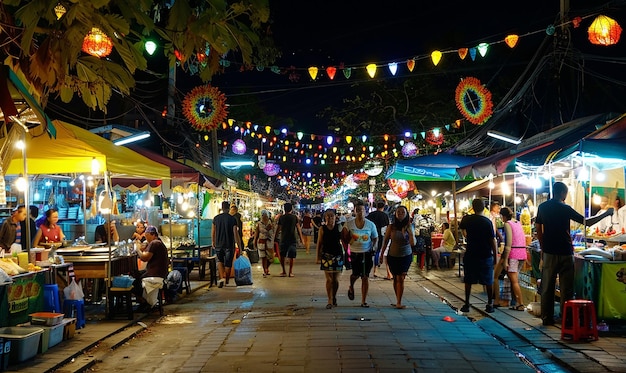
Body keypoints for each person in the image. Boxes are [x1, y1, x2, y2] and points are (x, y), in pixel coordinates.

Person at [536, 181, 613, 326]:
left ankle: (547, 318)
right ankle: (567, 319)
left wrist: (543, 247)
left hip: (549, 252)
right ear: (563, 193)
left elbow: (539, 229)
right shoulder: (565, 208)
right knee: (567, 288)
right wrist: (606, 214)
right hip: (565, 251)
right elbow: (587, 223)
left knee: (547, 287)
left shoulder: (543, 207)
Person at [459, 198, 497, 313]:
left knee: (469, 280)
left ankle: (466, 303)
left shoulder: (467, 220)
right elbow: (492, 240)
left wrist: (466, 235)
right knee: (488, 280)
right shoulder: (487, 222)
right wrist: (495, 255)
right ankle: (490, 304)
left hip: (471, 253)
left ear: (473, 207)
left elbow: (462, 230)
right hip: (485, 254)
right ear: (483, 207)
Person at [341, 200, 378, 308]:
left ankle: (363, 300)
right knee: (355, 274)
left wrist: (374, 247)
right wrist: (346, 246)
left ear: (365, 211)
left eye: (362, 210)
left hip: (366, 252)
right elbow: (343, 237)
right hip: (354, 252)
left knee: (365, 276)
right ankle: (351, 286)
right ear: (355, 211)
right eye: (358, 210)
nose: (360, 212)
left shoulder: (370, 225)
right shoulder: (349, 224)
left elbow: (375, 238)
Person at [380, 205, 415, 309]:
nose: (400, 214)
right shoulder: (391, 227)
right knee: (396, 277)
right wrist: (381, 254)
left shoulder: (409, 226)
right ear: (395, 214)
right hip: (393, 255)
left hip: (405, 255)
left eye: (403, 212)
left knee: (401, 278)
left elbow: (413, 243)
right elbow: (385, 241)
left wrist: (409, 233)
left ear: (406, 214)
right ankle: (397, 299)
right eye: (398, 212)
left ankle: (399, 301)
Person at [134, 225, 169, 312]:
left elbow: (144, 258)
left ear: (152, 234)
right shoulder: (157, 243)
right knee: (136, 274)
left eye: (147, 235)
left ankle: (144, 302)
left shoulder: (155, 243)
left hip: (155, 273)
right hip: (159, 272)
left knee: (133, 282)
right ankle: (144, 302)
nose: (146, 237)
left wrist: (137, 249)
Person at [500, 206, 528, 311]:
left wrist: (505, 260)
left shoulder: (507, 224)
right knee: (514, 279)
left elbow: (508, 244)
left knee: (514, 280)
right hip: (522, 253)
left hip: (514, 254)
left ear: (503, 216)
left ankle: (520, 304)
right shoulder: (517, 223)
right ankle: (514, 302)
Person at [316, 209, 345, 309]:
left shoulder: (339, 227)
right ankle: (329, 299)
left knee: (335, 279)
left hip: (337, 255)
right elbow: (319, 243)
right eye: (328, 216)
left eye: (332, 216)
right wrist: (318, 257)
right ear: (325, 217)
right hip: (326, 255)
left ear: (335, 217)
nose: (330, 218)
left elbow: (344, 241)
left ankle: (334, 296)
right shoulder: (322, 229)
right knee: (329, 279)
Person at [213, 201, 244, 288]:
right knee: (228, 263)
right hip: (229, 245)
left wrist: (213, 241)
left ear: (222, 208)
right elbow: (235, 233)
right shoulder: (232, 219)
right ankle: (226, 280)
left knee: (219, 261)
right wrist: (239, 245)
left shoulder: (216, 218)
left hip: (218, 244)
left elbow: (213, 231)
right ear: (229, 208)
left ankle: (221, 278)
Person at [275, 202, 303, 277]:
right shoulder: (294, 217)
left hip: (283, 238)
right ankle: (290, 272)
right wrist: (301, 238)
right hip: (292, 238)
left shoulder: (281, 217)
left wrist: (275, 237)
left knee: (282, 255)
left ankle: (284, 271)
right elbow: (298, 228)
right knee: (292, 256)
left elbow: (278, 228)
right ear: (291, 209)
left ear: (284, 209)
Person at [366, 201, 390, 278]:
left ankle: (369, 268)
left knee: (371, 251)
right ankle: (375, 269)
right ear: (383, 207)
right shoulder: (385, 215)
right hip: (380, 235)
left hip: (370, 235)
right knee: (378, 251)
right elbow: (387, 226)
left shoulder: (371, 215)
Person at [254, 210, 274, 277]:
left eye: (265, 215)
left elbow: (273, 232)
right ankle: (265, 270)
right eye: (263, 215)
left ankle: (266, 268)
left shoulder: (271, 223)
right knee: (263, 257)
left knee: (271, 258)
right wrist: (254, 242)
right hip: (261, 242)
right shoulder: (259, 224)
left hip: (269, 242)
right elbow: (256, 234)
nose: (264, 216)